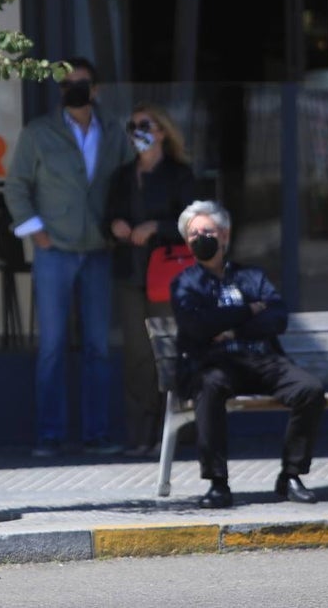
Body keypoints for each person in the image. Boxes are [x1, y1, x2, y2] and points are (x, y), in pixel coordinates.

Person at [3, 57, 134, 457]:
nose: (74, 89)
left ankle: (96, 433)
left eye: (81, 83)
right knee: (53, 346)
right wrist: (36, 232)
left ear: (96, 89)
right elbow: (16, 186)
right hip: (55, 251)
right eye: (66, 84)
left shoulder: (113, 132)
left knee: (98, 346)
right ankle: (50, 435)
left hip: (98, 250)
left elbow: (127, 182)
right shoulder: (38, 133)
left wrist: (121, 224)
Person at [171, 200, 325, 509]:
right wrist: (248, 310)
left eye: (207, 231)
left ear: (225, 235)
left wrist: (233, 330)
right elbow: (197, 325)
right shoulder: (185, 284)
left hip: (262, 361)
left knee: (310, 389)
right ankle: (217, 483)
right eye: (193, 234)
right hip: (217, 363)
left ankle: (291, 475)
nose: (200, 238)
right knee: (209, 387)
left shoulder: (251, 276)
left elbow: (277, 317)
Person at [105, 103, 195, 457]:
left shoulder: (179, 174)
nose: (137, 132)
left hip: (167, 274)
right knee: (138, 356)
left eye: (144, 125)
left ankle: (174, 433)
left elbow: (192, 222)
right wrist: (115, 225)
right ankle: (140, 435)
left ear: (161, 132)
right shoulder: (123, 175)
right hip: (131, 273)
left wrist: (156, 227)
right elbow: (108, 217)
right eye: (132, 127)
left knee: (169, 353)